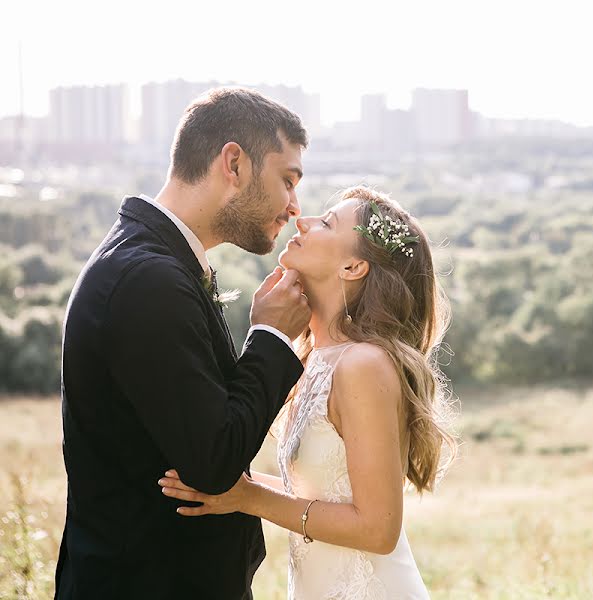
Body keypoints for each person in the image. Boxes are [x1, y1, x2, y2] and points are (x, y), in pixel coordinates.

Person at [56, 87, 311, 599]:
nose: (294, 207)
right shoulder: (147, 279)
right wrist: (271, 338)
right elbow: (212, 461)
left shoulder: (155, 263)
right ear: (233, 163)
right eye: (288, 180)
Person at [158, 186, 457, 599]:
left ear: (353, 266)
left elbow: (378, 528)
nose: (303, 221)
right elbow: (321, 495)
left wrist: (250, 498)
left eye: (327, 222)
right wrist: (227, 486)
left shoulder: (363, 365)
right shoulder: (316, 358)